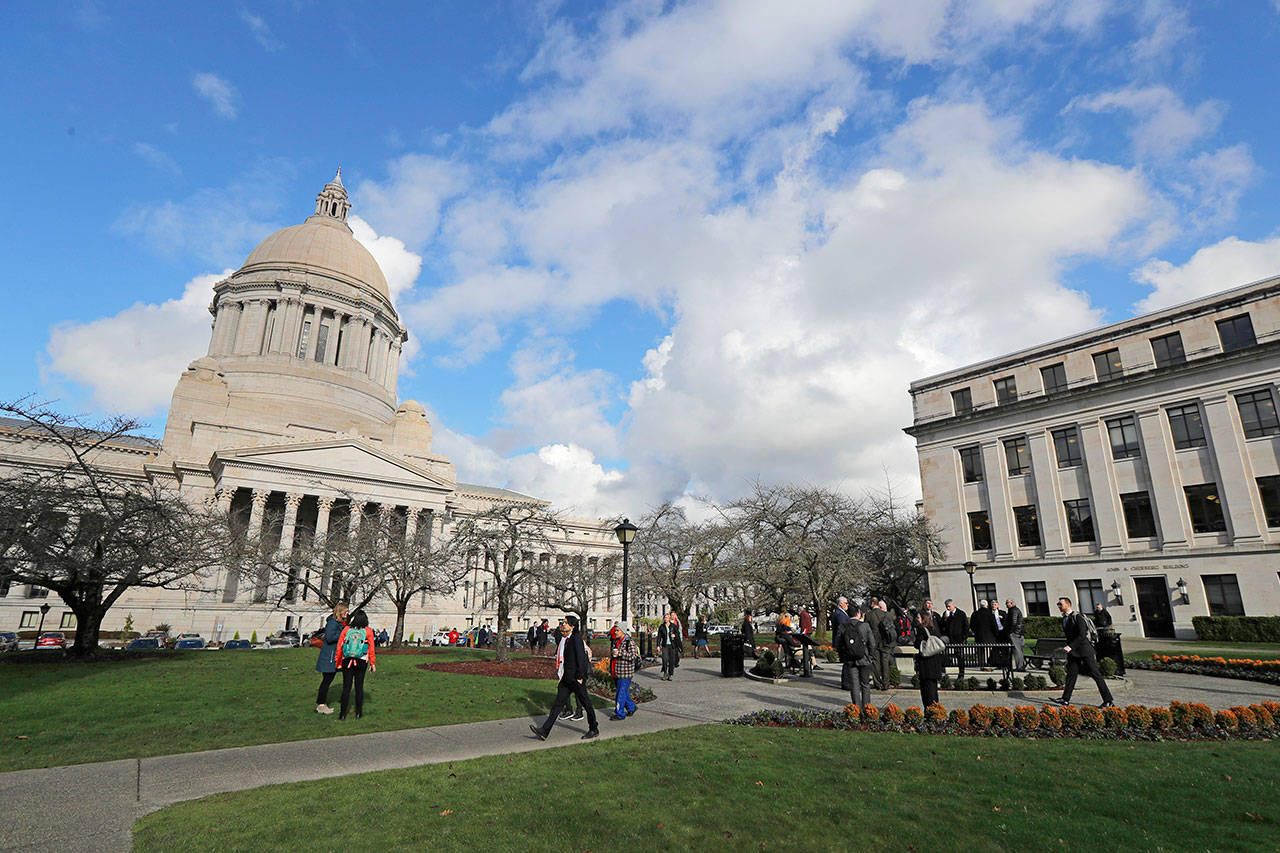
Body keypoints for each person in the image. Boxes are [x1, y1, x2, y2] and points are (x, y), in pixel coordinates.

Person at [530, 616, 599, 740]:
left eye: (566, 623)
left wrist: (580, 677)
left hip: (576, 679)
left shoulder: (576, 638)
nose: (563, 624)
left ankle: (594, 728)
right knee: (557, 705)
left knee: (586, 704)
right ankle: (544, 731)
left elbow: (581, 659)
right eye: (563, 622)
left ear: (572, 626)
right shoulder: (565, 638)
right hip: (567, 679)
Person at [1053, 597, 1114, 708]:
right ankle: (1065, 699)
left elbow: (1082, 635)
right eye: (1058, 604)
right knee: (1071, 675)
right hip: (1074, 652)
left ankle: (1108, 700)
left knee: (1096, 675)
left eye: (1060, 604)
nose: (1058, 606)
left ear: (1068, 604)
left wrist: (1070, 646)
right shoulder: (1064, 619)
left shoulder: (1078, 617)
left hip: (1085, 651)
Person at [333, 608, 376, 720]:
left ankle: (342, 714)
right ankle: (358, 713)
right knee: (359, 687)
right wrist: (372, 663)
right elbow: (371, 648)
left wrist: (337, 661)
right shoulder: (368, 631)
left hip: (347, 660)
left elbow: (340, 646)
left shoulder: (347, 629)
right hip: (361, 660)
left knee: (346, 687)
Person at [836, 604, 875, 710]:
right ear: (858, 613)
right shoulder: (865, 626)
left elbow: (838, 644)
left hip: (850, 660)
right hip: (864, 658)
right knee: (865, 685)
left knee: (854, 685)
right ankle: (867, 708)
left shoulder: (843, 626)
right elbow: (872, 643)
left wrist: (843, 657)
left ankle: (856, 709)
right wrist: (870, 656)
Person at [313, 603, 348, 715]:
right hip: (329, 656)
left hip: (332, 656)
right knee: (326, 681)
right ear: (340, 612)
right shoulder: (333, 623)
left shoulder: (338, 623)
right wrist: (343, 635)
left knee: (327, 680)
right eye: (345, 612)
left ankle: (322, 703)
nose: (347, 614)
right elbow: (329, 637)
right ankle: (321, 704)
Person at [913, 611, 945, 708]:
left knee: (927, 692)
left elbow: (917, 645)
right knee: (933, 691)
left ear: (923, 619)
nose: (917, 619)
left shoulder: (922, 630)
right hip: (935, 663)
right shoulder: (933, 628)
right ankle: (936, 710)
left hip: (926, 665)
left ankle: (929, 711)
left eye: (918, 618)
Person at [609, 625, 640, 720]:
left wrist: (620, 653)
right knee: (624, 692)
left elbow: (633, 656)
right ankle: (631, 707)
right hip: (619, 671)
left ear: (623, 631)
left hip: (626, 673)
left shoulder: (629, 642)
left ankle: (619, 714)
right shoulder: (618, 641)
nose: (615, 632)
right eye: (615, 630)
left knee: (620, 694)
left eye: (617, 630)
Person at [831, 597, 851, 689]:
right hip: (843, 642)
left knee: (847, 663)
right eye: (846, 603)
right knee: (847, 662)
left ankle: (847, 681)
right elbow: (843, 628)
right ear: (841, 604)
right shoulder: (840, 614)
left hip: (841, 641)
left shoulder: (841, 613)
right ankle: (846, 683)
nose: (847, 605)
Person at [971, 600, 995, 667]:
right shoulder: (990, 614)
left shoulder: (975, 614)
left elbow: (972, 625)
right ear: (987, 606)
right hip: (989, 636)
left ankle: (981, 663)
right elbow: (994, 626)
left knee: (980, 651)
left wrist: (976, 631)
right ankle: (986, 663)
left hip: (978, 636)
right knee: (987, 651)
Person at [1004, 598, 1026, 671]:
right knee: (1017, 649)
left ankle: (1020, 666)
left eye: (1007, 603)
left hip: (1015, 633)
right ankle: (1020, 666)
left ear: (1012, 603)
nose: (1006, 604)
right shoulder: (1014, 610)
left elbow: (1013, 622)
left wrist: (1011, 632)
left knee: (1017, 650)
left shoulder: (1013, 610)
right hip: (1017, 632)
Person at [658, 612, 681, 680]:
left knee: (672, 660)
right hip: (665, 645)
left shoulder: (673, 626)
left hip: (672, 645)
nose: (666, 619)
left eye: (667, 618)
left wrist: (675, 635)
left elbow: (678, 634)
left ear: (669, 619)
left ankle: (670, 674)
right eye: (665, 618)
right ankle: (665, 673)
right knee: (664, 660)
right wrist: (658, 645)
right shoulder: (661, 626)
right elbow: (659, 637)